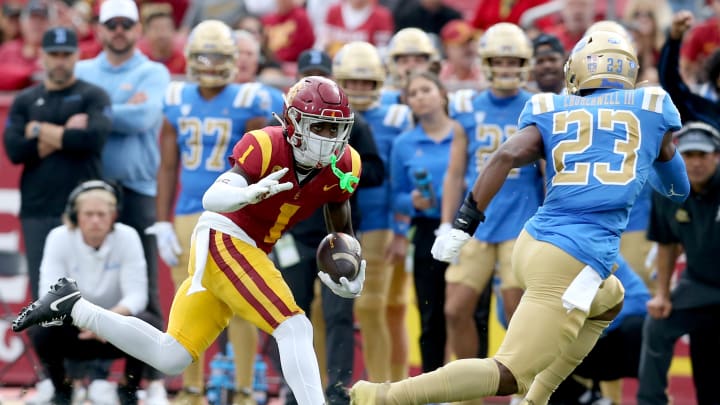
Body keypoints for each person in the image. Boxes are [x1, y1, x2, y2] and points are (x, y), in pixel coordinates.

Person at [350, 28, 690, 405]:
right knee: (508, 372)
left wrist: (465, 222)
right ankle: (378, 397)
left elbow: (505, 155)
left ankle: (535, 400)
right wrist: (652, 150)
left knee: (609, 297)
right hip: (570, 257)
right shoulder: (651, 108)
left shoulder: (552, 107)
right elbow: (678, 189)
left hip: (538, 240)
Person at [13, 75, 366, 405]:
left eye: (336, 128)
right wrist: (248, 193)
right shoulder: (265, 144)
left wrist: (347, 266)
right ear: (293, 124)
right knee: (294, 325)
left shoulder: (346, 162)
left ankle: (72, 306)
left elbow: (339, 216)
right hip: (225, 235)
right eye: (319, 125)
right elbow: (212, 198)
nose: (328, 137)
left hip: (244, 246)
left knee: (171, 355)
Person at [148, 20, 271, 405]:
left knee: (238, 302)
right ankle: (191, 387)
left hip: (235, 214)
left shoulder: (250, 98)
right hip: (188, 211)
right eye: (204, 55)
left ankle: (247, 388)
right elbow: (167, 165)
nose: (211, 63)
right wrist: (162, 219)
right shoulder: (176, 97)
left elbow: (262, 166)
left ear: (234, 59)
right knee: (188, 299)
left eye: (219, 56)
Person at [271, 48, 384, 405]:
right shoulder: (281, 132)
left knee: (338, 315)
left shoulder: (354, 127)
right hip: (292, 234)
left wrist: (334, 174)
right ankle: (295, 390)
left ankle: (337, 391)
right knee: (290, 316)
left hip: (337, 234)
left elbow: (376, 171)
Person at [442, 22, 543, 372]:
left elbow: (548, 171)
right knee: (454, 310)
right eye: (499, 61)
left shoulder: (537, 106)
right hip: (477, 221)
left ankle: (523, 385)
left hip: (522, 220)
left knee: (517, 312)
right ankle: (469, 389)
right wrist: (446, 222)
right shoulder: (467, 106)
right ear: (486, 62)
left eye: (513, 61)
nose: (506, 68)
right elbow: (455, 172)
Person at [74, 0, 171, 325]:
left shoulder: (154, 71)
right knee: (85, 282)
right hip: (89, 189)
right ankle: (90, 370)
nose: (118, 31)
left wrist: (94, 114)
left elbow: (143, 118)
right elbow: (66, 115)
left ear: (137, 29)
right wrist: (122, 107)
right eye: (111, 24)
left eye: (125, 24)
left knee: (144, 279)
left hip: (136, 186)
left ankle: (149, 372)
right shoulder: (83, 70)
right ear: (99, 28)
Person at [28, 180, 164, 405]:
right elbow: (50, 294)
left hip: (115, 329)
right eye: (88, 214)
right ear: (75, 216)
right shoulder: (58, 237)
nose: (95, 221)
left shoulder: (128, 236)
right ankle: (63, 390)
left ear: (113, 216)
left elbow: (137, 296)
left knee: (149, 323)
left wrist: (106, 322)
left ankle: (128, 389)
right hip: (76, 328)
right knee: (40, 327)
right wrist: (88, 321)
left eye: (101, 214)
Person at [3, 26, 111, 302]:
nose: (60, 60)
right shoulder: (26, 100)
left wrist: (38, 129)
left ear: (76, 55)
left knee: (88, 292)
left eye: (66, 54)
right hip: (38, 208)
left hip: (84, 211)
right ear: (43, 57)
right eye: (54, 54)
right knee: (44, 294)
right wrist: (65, 131)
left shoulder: (93, 95)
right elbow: (15, 150)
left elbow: (92, 139)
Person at [333, 40, 412, 381]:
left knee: (372, 305)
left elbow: (401, 174)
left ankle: (384, 390)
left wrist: (399, 227)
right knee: (325, 307)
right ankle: (324, 387)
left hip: (380, 219)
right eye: (352, 82)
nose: (360, 89)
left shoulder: (396, 115)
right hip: (334, 219)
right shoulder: (327, 111)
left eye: (366, 82)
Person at [637, 122, 720, 405]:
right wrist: (662, 294)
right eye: (689, 155)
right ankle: (651, 402)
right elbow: (666, 242)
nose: (696, 162)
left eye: (703, 155)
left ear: (717, 156)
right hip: (698, 283)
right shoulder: (669, 190)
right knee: (657, 324)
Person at [388, 71, 463, 373]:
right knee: (430, 314)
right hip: (427, 234)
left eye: (425, 89)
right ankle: (433, 387)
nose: (419, 96)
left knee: (467, 312)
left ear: (443, 93)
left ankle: (472, 387)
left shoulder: (464, 132)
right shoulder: (404, 143)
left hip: (467, 229)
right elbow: (396, 196)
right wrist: (412, 202)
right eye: (413, 93)